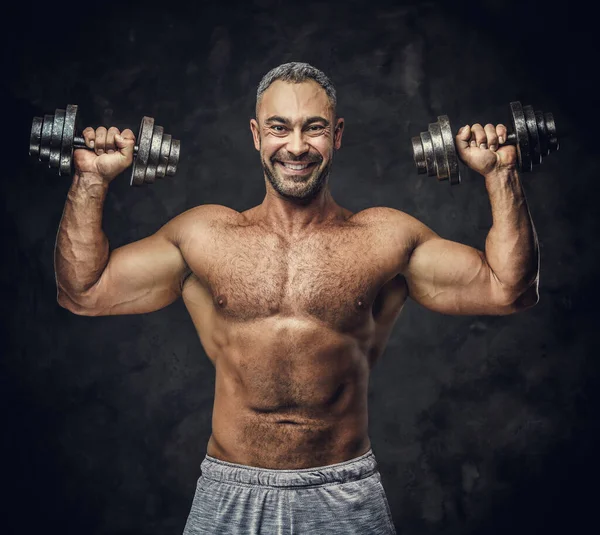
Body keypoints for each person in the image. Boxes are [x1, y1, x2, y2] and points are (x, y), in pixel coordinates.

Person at [54, 62, 540, 534]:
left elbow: (508, 290)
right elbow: (84, 291)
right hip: (230, 489)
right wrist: (92, 180)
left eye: (314, 128)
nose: (297, 146)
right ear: (255, 134)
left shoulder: (385, 237)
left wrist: (501, 174)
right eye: (279, 128)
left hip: (344, 491)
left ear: (338, 134)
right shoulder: (204, 236)